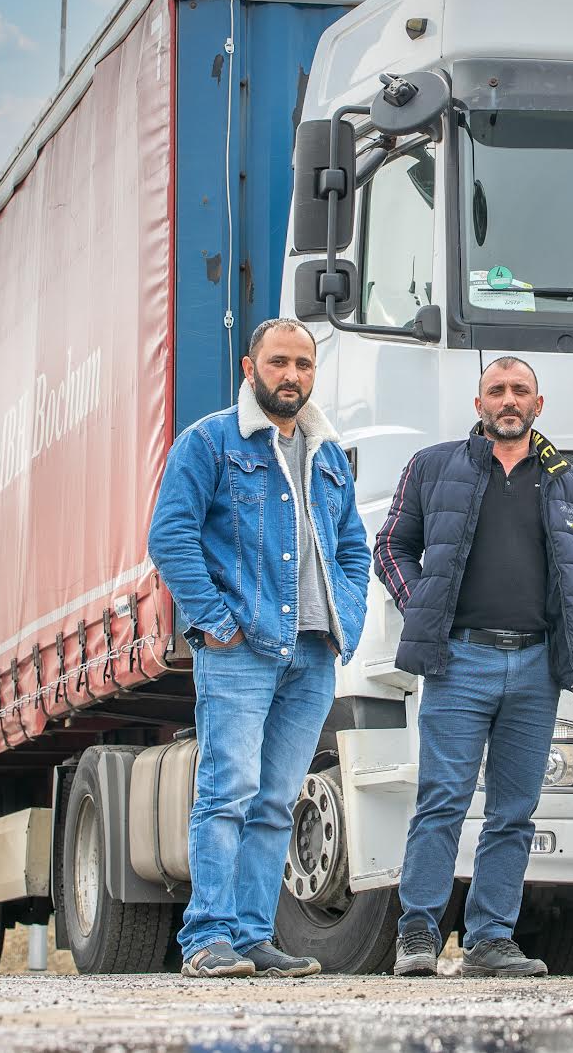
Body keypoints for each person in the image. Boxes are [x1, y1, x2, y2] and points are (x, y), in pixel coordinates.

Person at [147, 318, 371, 978]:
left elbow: (353, 548)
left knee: (276, 801)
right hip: (241, 651)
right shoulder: (212, 443)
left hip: (311, 655)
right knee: (228, 792)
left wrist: (344, 621)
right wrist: (217, 621)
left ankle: (251, 936)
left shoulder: (328, 455)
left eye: (303, 363)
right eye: (279, 361)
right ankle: (207, 936)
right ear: (251, 368)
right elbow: (170, 535)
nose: (292, 374)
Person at [374, 356, 573, 978]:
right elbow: (391, 545)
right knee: (442, 800)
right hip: (460, 661)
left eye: (520, 391)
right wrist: (421, 604)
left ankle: (490, 939)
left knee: (513, 812)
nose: (509, 400)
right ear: (478, 403)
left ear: (539, 402)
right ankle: (418, 934)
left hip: (536, 668)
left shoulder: (568, 482)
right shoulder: (433, 467)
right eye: (496, 390)